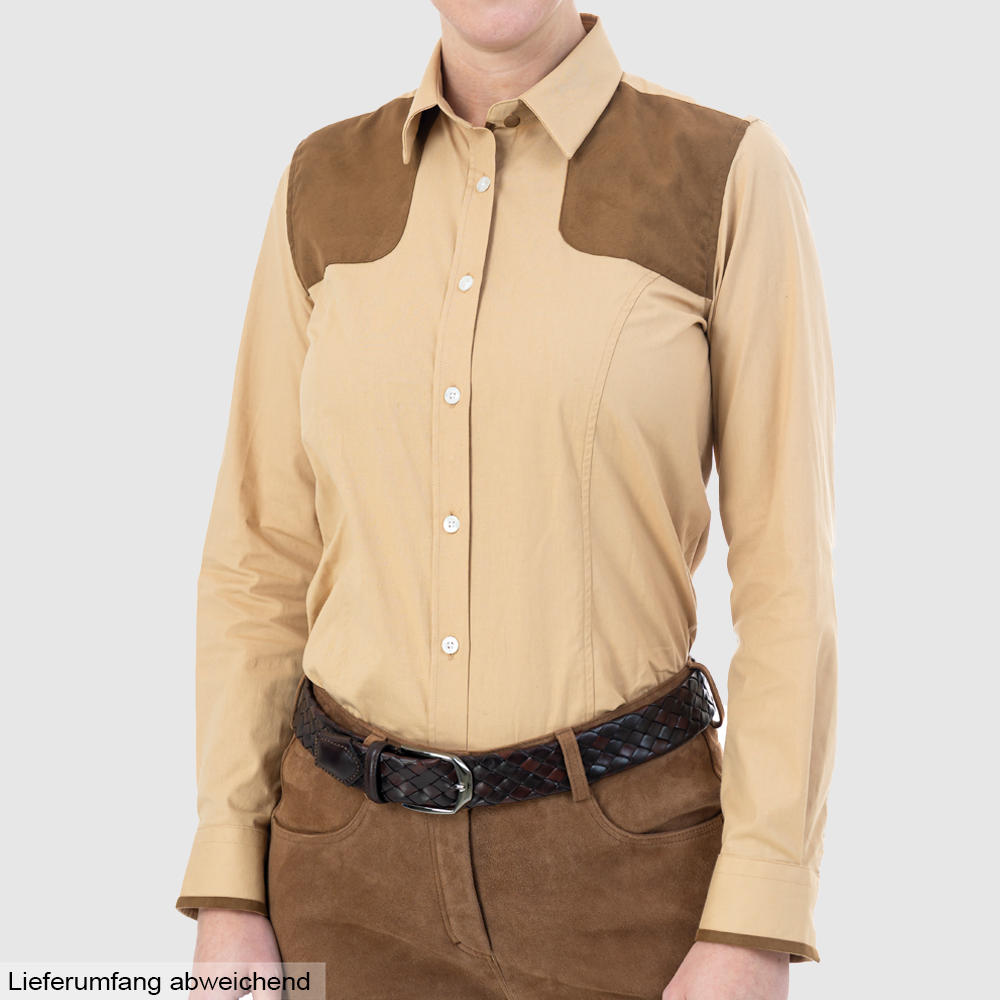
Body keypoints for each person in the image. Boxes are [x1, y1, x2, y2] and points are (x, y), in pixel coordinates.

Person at [175, 3, 838, 998]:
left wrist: (756, 918)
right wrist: (229, 886)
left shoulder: (722, 172)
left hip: (626, 879)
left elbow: (789, 579)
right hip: (338, 875)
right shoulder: (321, 182)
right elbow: (260, 555)